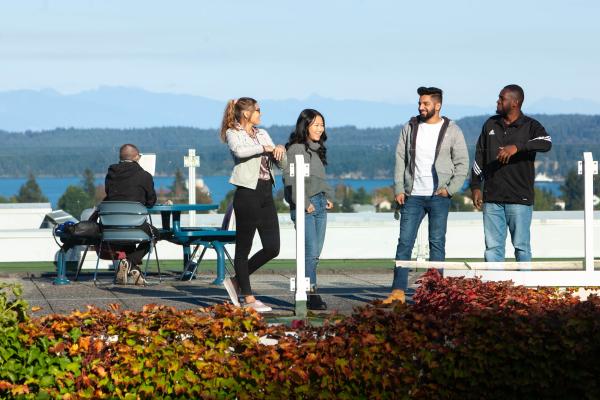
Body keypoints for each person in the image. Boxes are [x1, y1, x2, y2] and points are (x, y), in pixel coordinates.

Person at [385, 87, 469, 304]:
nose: (421, 107)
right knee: (404, 242)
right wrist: (399, 188)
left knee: (437, 243)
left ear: (437, 105)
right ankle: (398, 291)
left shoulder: (453, 130)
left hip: (439, 196)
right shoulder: (410, 128)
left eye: (425, 104)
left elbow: (462, 164)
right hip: (412, 195)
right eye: (420, 103)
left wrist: (449, 189)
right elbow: (400, 159)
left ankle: (435, 293)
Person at [220, 97, 287, 313]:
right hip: (247, 193)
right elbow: (240, 152)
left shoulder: (262, 133)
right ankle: (248, 298)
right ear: (246, 113)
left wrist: (278, 150)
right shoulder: (233, 133)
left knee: (272, 247)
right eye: (257, 110)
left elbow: (279, 163)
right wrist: (264, 148)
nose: (260, 114)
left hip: (266, 193)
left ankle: (236, 280)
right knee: (244, 247)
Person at [470, 84, 552, 262]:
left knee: (522, 248)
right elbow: (479, 157)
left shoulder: (531, 126)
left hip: (520, 199)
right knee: (492, 249)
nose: (498, 101)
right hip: (492, 199)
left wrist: (517, 147)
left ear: (515, 103)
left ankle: (524, 289)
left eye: (502, 98)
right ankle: (493, 289)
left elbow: (546, 142)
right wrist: (476, 186)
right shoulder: (490, 124)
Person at [284, 109, 334, 310]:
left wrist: (327, 197)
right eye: (316, 125)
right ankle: (310, 294)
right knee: (310, 252)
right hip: (306, 205)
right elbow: (291, 179)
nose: (320, 129)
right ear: (305, 126)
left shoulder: (317, 149)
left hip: (320, 204)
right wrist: (304, 202)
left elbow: (319, 180)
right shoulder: (296, 149)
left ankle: (308, 291)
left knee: (314, 255)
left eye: (322, 125)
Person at [102, 143, 158, 285]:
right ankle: (130, 262)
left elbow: (109, 195)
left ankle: (130, 267)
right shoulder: (144, 176)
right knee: (156, 234)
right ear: (137, 157)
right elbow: (151, 202)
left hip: (111, 228)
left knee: (127, 236)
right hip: (135, 226)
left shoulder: (111, 174)